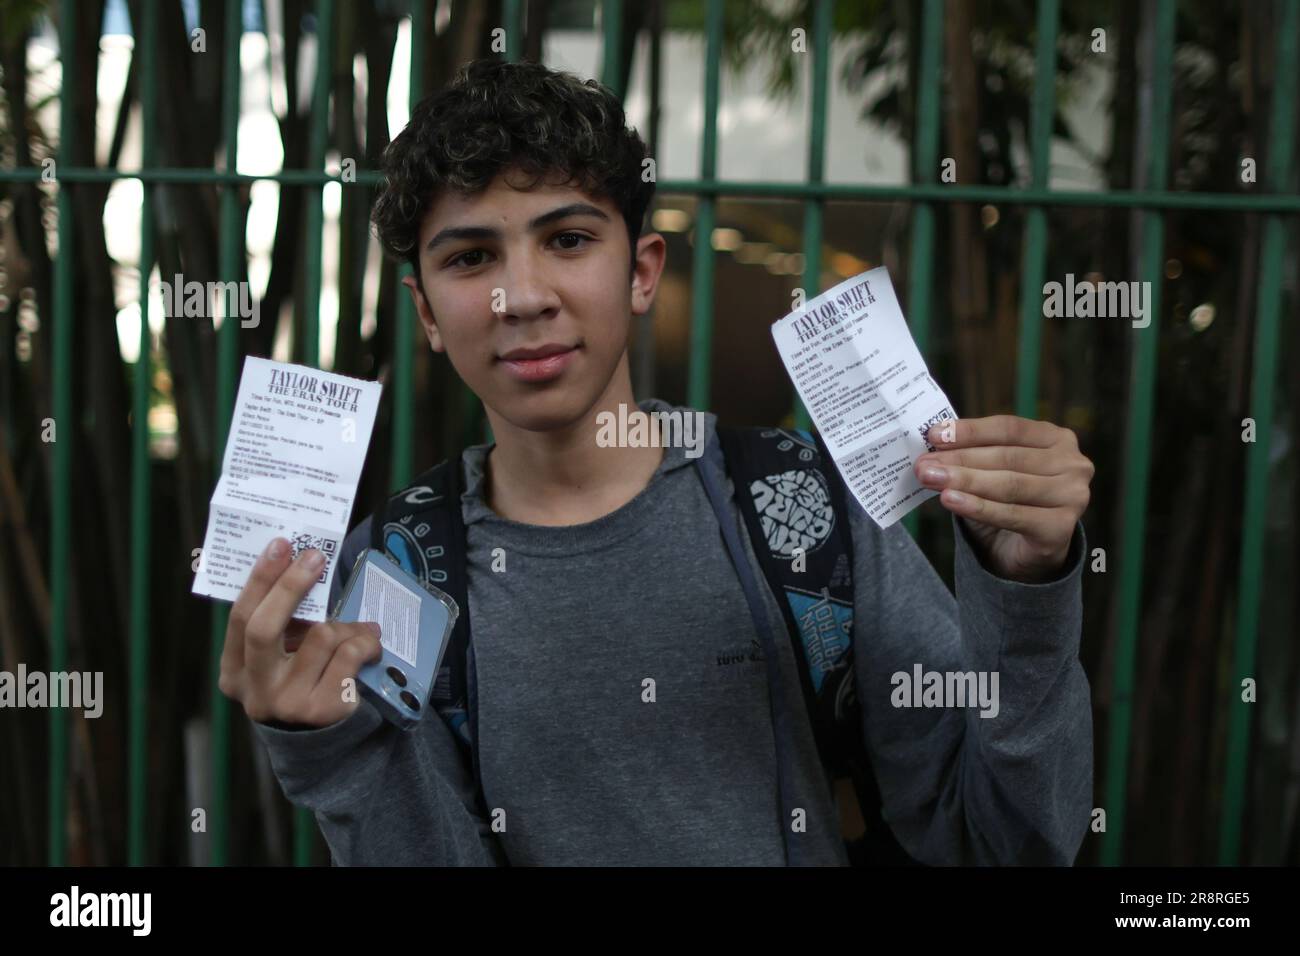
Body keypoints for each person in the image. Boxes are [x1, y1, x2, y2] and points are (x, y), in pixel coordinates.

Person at [217, 58, 1095, 866]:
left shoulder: (802, 508)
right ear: (429, 313)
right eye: (472, 256)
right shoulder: (395, 570)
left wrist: (1027, 592)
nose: (521, 297)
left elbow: (1004, 841)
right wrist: (333, 753)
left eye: (567, 240)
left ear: (641, 272)